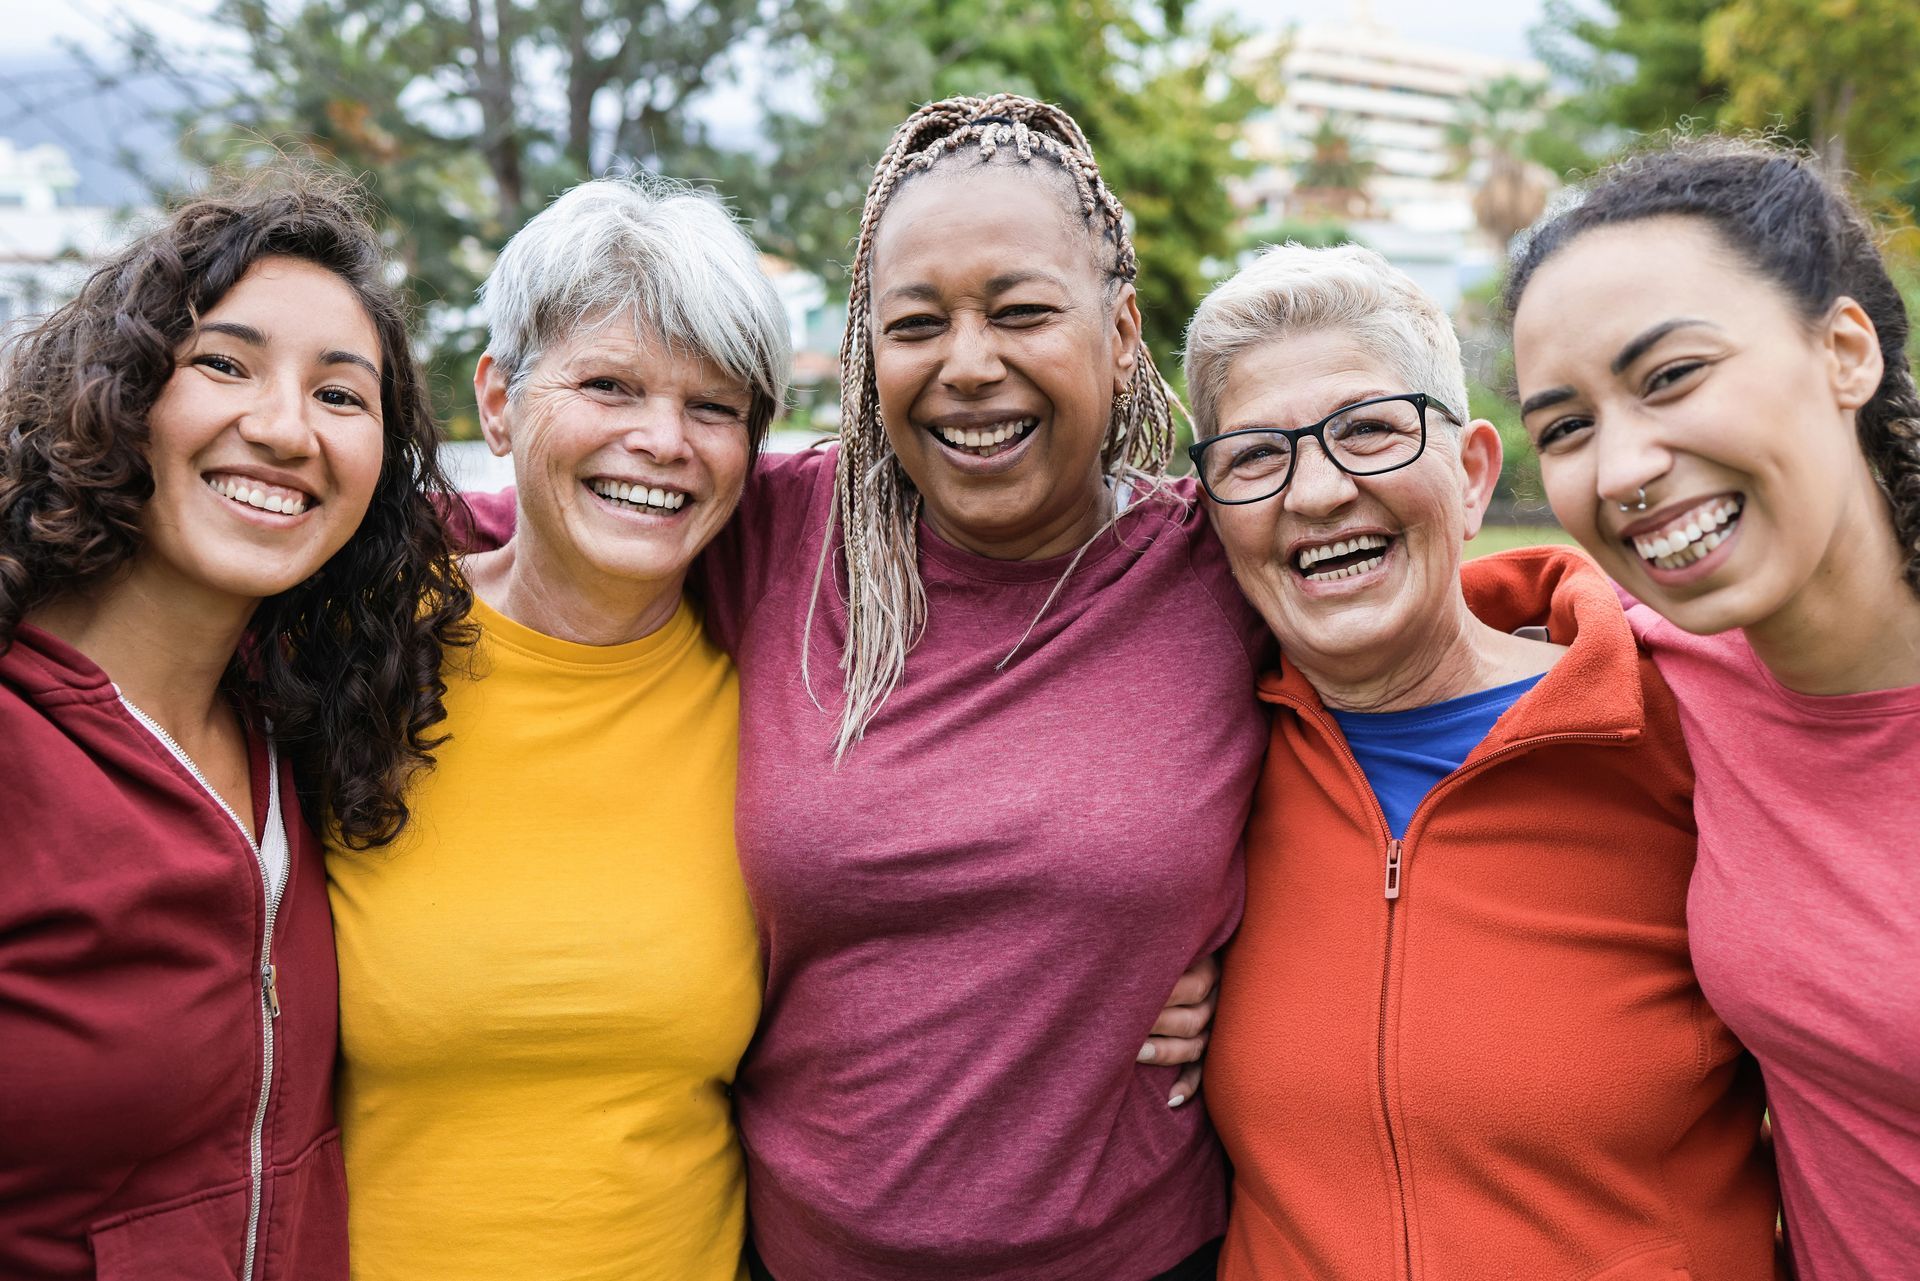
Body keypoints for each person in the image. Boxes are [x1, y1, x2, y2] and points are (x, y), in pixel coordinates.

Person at [461, 94, 1262, 1280]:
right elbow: (495, 525)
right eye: (917, 322)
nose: (969, 365)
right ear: (866, 349)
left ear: (1123, 328)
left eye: (1025, 312)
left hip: (1144, 1255)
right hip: (800, 1256)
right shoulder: (776, 534)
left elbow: (1412, 684)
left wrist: (1256, 967)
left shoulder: (1220, 565)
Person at [1185, 243, 1781, 1278]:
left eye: (1369, 430)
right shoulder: (1196, 774)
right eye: (1253, 457)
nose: (1318, 492)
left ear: (1470, 475)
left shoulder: (1689, 722)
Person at [0, 171, 470, 1280]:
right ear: (116, 392)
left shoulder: (299, 721)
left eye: (342, 397)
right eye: (225, 363)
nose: (283, 429)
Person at [326, 177, 789, 1281]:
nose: (663, 440)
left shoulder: (780, 705)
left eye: (714, 406)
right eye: (609, 385)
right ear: (497, 399)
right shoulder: (344, 656)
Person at [1506, 136, 1920, 1279]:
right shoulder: (1660, 675)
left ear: (1844, 352)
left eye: (1672, 376)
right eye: (1568, 427)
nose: (1626, 465)